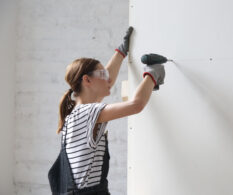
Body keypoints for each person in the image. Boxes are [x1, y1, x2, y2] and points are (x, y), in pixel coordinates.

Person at [48, 26, 165, 195]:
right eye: (102, 75)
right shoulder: (87, 113)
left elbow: (107, 77)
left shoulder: (77, 113)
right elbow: (136, 105)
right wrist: (152, 75)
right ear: (87, 80)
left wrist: (121, 52)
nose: (108, 79)